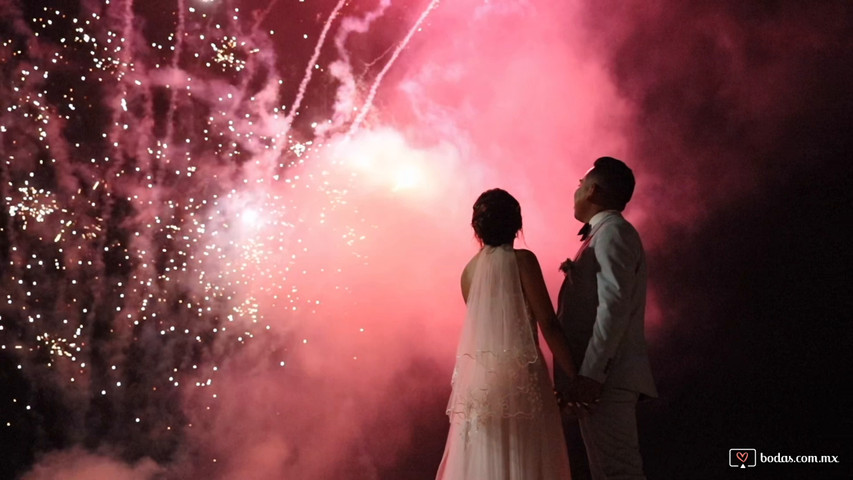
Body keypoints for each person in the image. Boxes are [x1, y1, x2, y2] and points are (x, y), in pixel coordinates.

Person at [436, 188, 576, 480]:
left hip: (481, 384)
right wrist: (575, 374)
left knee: (486, 460)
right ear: (516, 224)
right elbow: (548, 323)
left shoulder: (468, 273)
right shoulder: (523, 261)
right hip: (521, 378)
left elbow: (484, 330)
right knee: (529, 457)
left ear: (477, 228)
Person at [554, 157, 658, 480]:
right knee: (608, 471)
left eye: (579, 185)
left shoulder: (613, 233)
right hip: (601, 381)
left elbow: (612, 308)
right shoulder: (604, 233)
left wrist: (591, 375)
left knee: (617, 471)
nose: (575, 192)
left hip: (606, 381)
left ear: (593, 190)